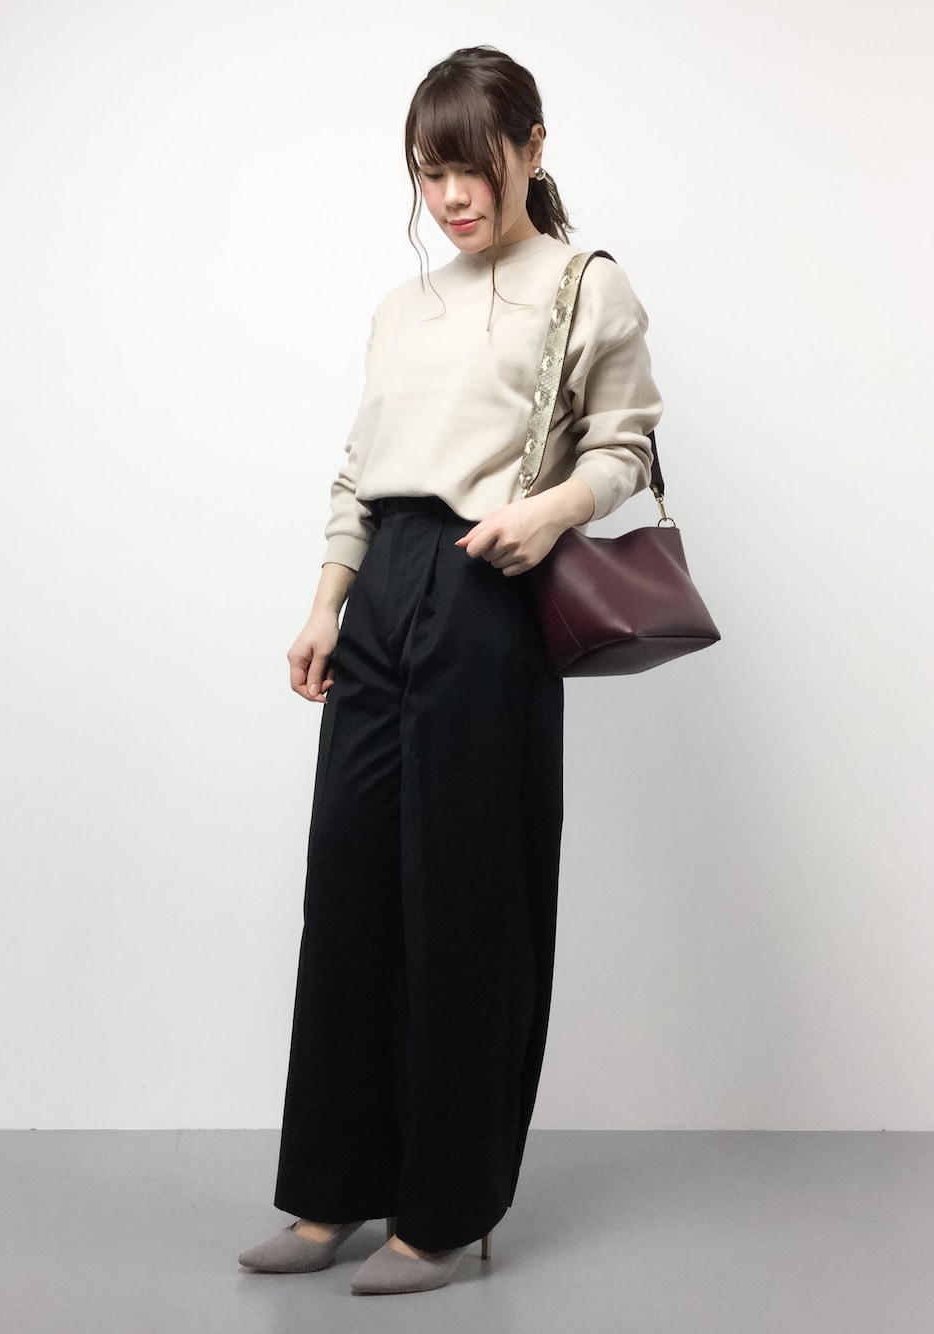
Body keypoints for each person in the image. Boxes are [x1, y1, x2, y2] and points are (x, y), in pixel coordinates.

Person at [238, 44, 662, 1295]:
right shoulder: (401, 306)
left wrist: (550, 512)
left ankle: (445, 1210)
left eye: (473, 166)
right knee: (349, 890)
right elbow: (357, 472)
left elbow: (626, 446)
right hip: (382, 591)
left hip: (491, 590)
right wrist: (327, 600)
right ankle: (332, 1190)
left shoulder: (584, 284)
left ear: (531, 147)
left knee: (468, 902)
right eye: (431, 173)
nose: (453, 196)